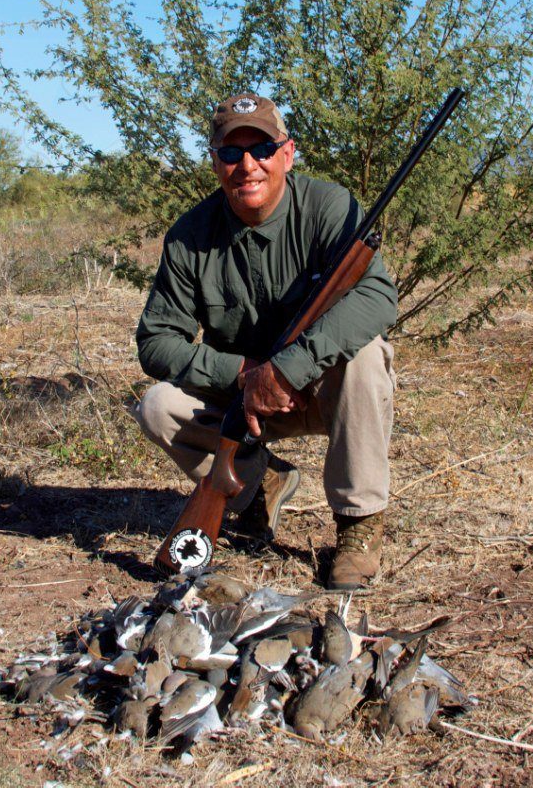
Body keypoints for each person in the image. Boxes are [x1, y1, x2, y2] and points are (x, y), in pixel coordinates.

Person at [132, 93, 397, 589]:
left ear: (288, 153)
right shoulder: (190, 234)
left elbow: (378, 298)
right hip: (243, 403)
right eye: (231, 154)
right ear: (215, 161)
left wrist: (287, 369)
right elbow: (155, 341)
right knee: (157, 406)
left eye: (263, 150)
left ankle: (359, 528)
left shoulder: (330, 207)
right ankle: (258, 485)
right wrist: (243, 374)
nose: (247, 166)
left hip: (322, 393)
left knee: (364, 354)